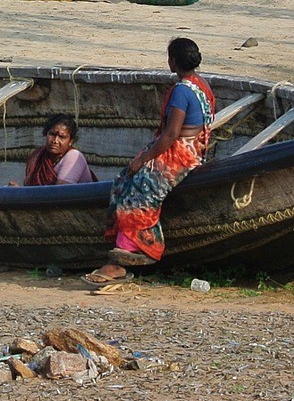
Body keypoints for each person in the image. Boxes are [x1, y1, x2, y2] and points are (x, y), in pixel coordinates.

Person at [85, 39, 214, 286]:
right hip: (195, 149)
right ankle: (123, 245)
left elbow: (170, 135)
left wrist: (143, 159)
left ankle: (132, 250)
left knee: (137, 191)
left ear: (173, 61)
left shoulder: (182, 91)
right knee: (123, 180)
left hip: (181, 153)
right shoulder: (202, 84)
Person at [19, 114, 97, 186]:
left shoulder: (74, 156)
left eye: (62, 137)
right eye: (52, 134)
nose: (55, 141)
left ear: (70, 141)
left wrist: (22, 194)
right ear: (46, 134)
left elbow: (61, 192)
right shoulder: (37, 157)